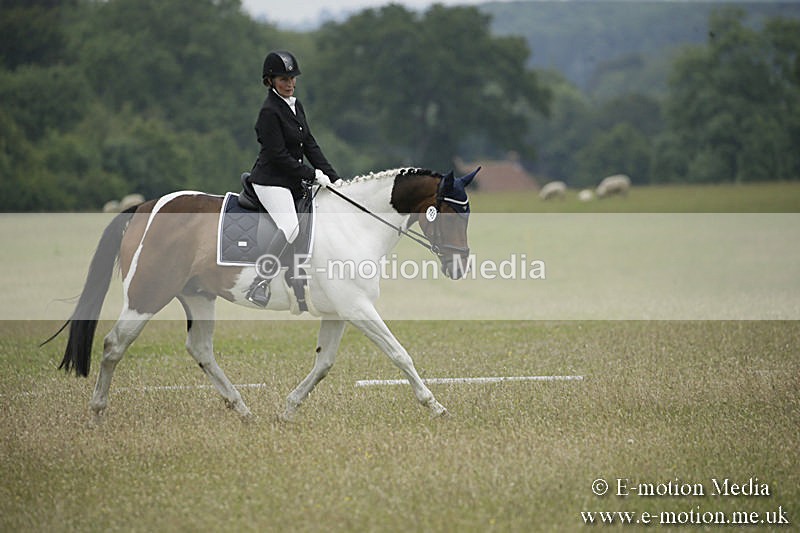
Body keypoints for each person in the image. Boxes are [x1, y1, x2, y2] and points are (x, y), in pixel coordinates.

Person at [246, 50, 340, 304]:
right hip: (270, 181)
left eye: (292, 78)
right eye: (282, 79)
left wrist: (334, 178)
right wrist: (312, 174)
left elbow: (309, 144)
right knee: (290, 226)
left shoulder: (295, 105)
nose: (289, 84)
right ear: (270, 81)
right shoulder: (269, 112)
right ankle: (259, 282)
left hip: (292, 180)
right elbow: (277, 156)